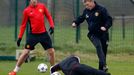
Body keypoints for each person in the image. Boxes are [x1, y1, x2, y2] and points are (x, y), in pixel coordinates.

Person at [9, 0, 55, 75]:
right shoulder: (26, 11)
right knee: (25, 53)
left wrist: (52, 26)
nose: (35, 1)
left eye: (36, 0)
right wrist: (20, 37)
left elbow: (48, 16)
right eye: (33, 0)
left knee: (51, 52)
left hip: (43, 34)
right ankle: (14, 71)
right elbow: (23, 25)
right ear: (30, 1)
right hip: (33, 35)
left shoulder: (42, 6)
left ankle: (53, 71)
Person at [72, 0, 112, 72]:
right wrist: (75, 22)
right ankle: (104, 65)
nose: (87, 6)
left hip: (103, 34)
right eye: (85, 5)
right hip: (93, 34)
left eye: (88, 4)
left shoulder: (102, 9)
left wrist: (105, 27)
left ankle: (101, 70)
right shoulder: (86, 11)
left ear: (92, 1)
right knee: (98, 46)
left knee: (103, 51)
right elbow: (81, 18)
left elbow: (109, 20)